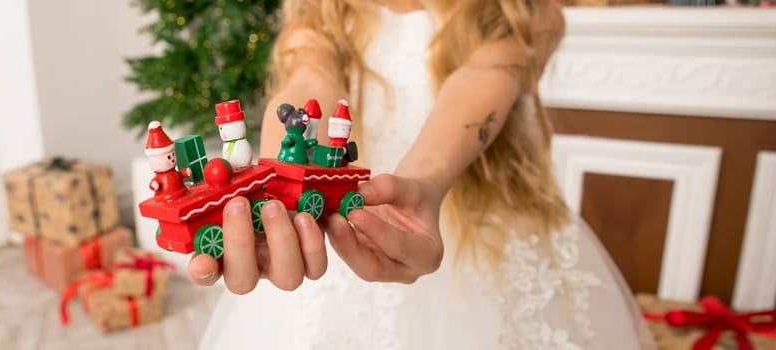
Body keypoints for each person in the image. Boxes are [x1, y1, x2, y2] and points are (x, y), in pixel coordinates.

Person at [187, 0, 657, 348]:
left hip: (483, 242)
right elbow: (311, 82)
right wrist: (280, 175)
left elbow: (481, 81)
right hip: (344, 240)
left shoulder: (520, 13)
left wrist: (423, 182)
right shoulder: (324, 11)